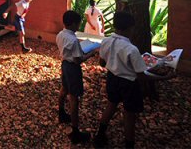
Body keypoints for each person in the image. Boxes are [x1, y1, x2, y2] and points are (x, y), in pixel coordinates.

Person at [93, 11, 175, 148]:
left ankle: (100, 135)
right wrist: (165, 77)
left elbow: (102, 63)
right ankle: (129, 145)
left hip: (112, 78)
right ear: (130, 28)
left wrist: (114, 62)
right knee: (129, 113)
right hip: (129, 83)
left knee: (111, 104)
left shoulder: (106, 41)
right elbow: (141, 76)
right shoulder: (131, 49)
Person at [56, 10, 97, 144]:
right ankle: (75, 132)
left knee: (64, 88)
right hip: (73, 69)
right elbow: (78, 60)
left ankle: (61, 113)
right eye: (79, 23)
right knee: (74, 98)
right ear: (73, 23)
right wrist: (91, 54)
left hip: (64, 65)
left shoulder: (60, 34)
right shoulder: (73, 40)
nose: (79, 26)